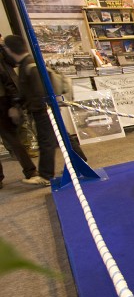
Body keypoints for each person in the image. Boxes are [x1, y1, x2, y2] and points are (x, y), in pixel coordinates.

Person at [3, 35, 86, 186]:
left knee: (46, 141)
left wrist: (33, 108)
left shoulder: (29, 65)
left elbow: (38, 91)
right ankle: (81, 161)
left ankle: (46, 175)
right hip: (44, 109)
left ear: (10, 49)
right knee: (61, 135)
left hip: (43, 110)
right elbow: (27, 91)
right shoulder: (27, 64)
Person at [0, 40, 39, 188]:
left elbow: (8, 78)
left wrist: (13, 104)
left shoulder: (2, 55)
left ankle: (30, 171)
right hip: (4, 100)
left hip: (2, 101)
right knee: (13, 138)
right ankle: (29, 171)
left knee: (13, 138)